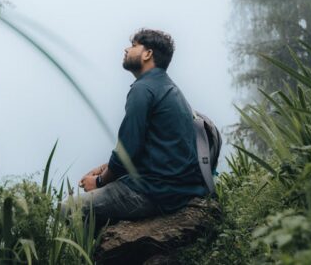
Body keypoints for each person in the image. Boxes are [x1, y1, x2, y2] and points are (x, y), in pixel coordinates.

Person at [66, 28, 208, 226]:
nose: (126, 49)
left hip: (156, 193)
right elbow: (150, 147)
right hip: (180, 189)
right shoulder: (169, 89)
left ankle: (85, 257)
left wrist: (98, 182)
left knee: (67, 210)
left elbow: (127, 151)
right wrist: (105, 168)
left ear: (147, 54)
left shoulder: (143, 89)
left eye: (133, 46)